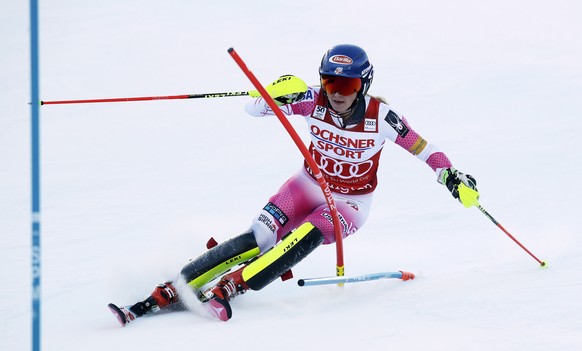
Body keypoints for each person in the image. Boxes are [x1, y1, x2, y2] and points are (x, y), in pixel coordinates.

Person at [108, 44, 478, 326]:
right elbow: (253, 109)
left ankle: (235, 285)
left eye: (347, 84)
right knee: (258, 237)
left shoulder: (382, 118)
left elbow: (423, 148)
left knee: (303, 236)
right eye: (330, 81)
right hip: (306, 184)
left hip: (350, 203)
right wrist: (274, 92)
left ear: (363, 85)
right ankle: (171, 287)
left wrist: (450, 175)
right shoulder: (311, 101)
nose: (336, 92)